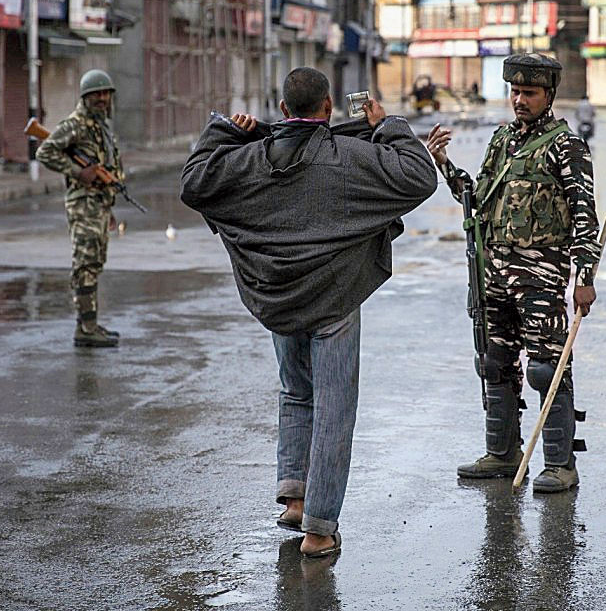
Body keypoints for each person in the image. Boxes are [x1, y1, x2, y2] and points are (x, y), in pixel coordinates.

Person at [180, 67, 436, 558]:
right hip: (334, 300)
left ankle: (294, 497)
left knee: (296, 392)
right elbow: (419, 175)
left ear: (281, 111)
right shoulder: (350, 157)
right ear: (328, 110)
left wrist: (225, 129)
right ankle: (319, 529)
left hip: (278, 297)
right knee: (334, 408)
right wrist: (386, 125)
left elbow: (194, 181)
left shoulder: (250, 159)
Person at [425, 53, 600, 494]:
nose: (519, 100)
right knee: (495, 362)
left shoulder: (567, 147)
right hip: (495, 273)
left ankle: (560, 464)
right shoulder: (502, 141)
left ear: (549, 95)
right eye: (515, 92)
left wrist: (585, 279)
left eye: (530, 93)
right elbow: (476, 198)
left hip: (541, 275)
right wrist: (444, 162)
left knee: (547, 368)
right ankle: (503, 454)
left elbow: (585, 219)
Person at [36, 69, 125, 348]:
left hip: (98, 205)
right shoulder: (75, 124)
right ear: (85, 97)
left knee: (95, 264)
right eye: (96, 94)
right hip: (83, 205)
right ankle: (85, 329)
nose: (102, 98)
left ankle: (90, 324)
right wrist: (77, 171)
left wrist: (109, 208)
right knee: (84, 264)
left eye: (105, 94)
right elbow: (44, 152)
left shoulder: (101, 126)